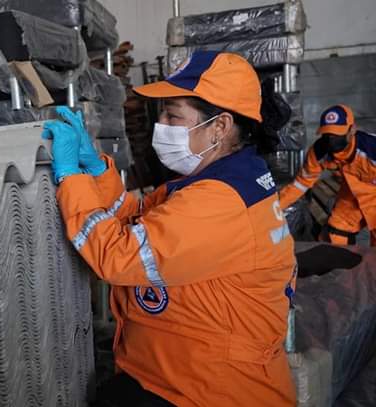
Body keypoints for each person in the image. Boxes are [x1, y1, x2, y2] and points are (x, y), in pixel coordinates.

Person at [42, 51, 297, 406]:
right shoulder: (219, 181)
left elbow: (120, 256)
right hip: (178, 374)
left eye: (172, 115)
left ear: (220, 127)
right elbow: (142, 224)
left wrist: (71, 178)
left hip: (211, 392)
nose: (160, 124)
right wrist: (98, 173)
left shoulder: (219, 201)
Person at [279, 104, 376, 245]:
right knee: (337, 230)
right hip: (352, 192)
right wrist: (276, 207)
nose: (331, 139)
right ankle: (341, 258)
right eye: (327, 134)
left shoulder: (371, 148)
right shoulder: (320, 151)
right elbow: (301, 183)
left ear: (352, 130)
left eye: (337, 134)